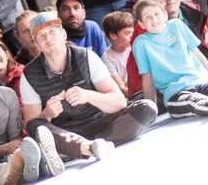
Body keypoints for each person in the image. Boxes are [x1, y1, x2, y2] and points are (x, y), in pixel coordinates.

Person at [20, 12, 155, 162]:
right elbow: (30, 124)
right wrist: (47, 114)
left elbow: (119, 102)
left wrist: (88, 96)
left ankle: (80, 149)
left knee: (147, 107)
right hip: (66, 132)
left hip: (102, 122)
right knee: (35, 125)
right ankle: (85, 147)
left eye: (52, 32)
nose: (48, 39)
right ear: (36, 43)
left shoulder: (86, 57)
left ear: (63, 34)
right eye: (41, 36)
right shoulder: (29, 74)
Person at [99, 11, 134, 93]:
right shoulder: (107, 58)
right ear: (113, 36)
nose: (132, 36)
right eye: (127, 33)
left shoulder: (134, 47)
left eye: (133, 32)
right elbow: (121, 87)